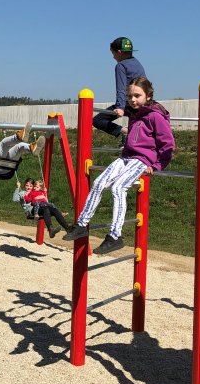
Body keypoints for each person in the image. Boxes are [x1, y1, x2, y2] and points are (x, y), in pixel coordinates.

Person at [65, 77, 174, 253]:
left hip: (142, 160)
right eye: (130, 96)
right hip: (126, 157)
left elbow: (167, 144)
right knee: (98, 183)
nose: (133, 99)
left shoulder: (155, 116)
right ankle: (81, 224)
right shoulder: (134, 112)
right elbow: (100, 120)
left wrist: (156, 166)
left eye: (137, 95)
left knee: (118, 188)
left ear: (148, 95)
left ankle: (115, 236)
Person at [92, 37, 146, 138]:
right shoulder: (137, 62)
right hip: (142, 102)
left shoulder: (121, 66)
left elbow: (121, 88)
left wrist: (120, 107)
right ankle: (131, 137)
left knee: (97, 120)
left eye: (113, 54)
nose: (113, 57)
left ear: (119, 52)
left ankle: (126, 131)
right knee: (136, 125)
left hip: (129, 104)